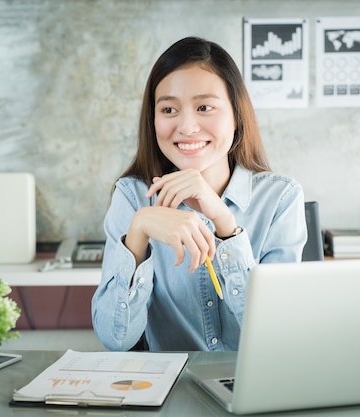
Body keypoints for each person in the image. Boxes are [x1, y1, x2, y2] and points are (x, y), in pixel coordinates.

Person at [91, 37, 307, 352]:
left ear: (236, 116)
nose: (187, 126)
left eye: (204, 107)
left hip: (254, 385)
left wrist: (225, 224)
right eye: (168, 109)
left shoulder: (280, 198)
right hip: (171, 390)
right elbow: (115, 339)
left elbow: (279, 338)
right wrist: (138, 231)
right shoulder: (133, 196)